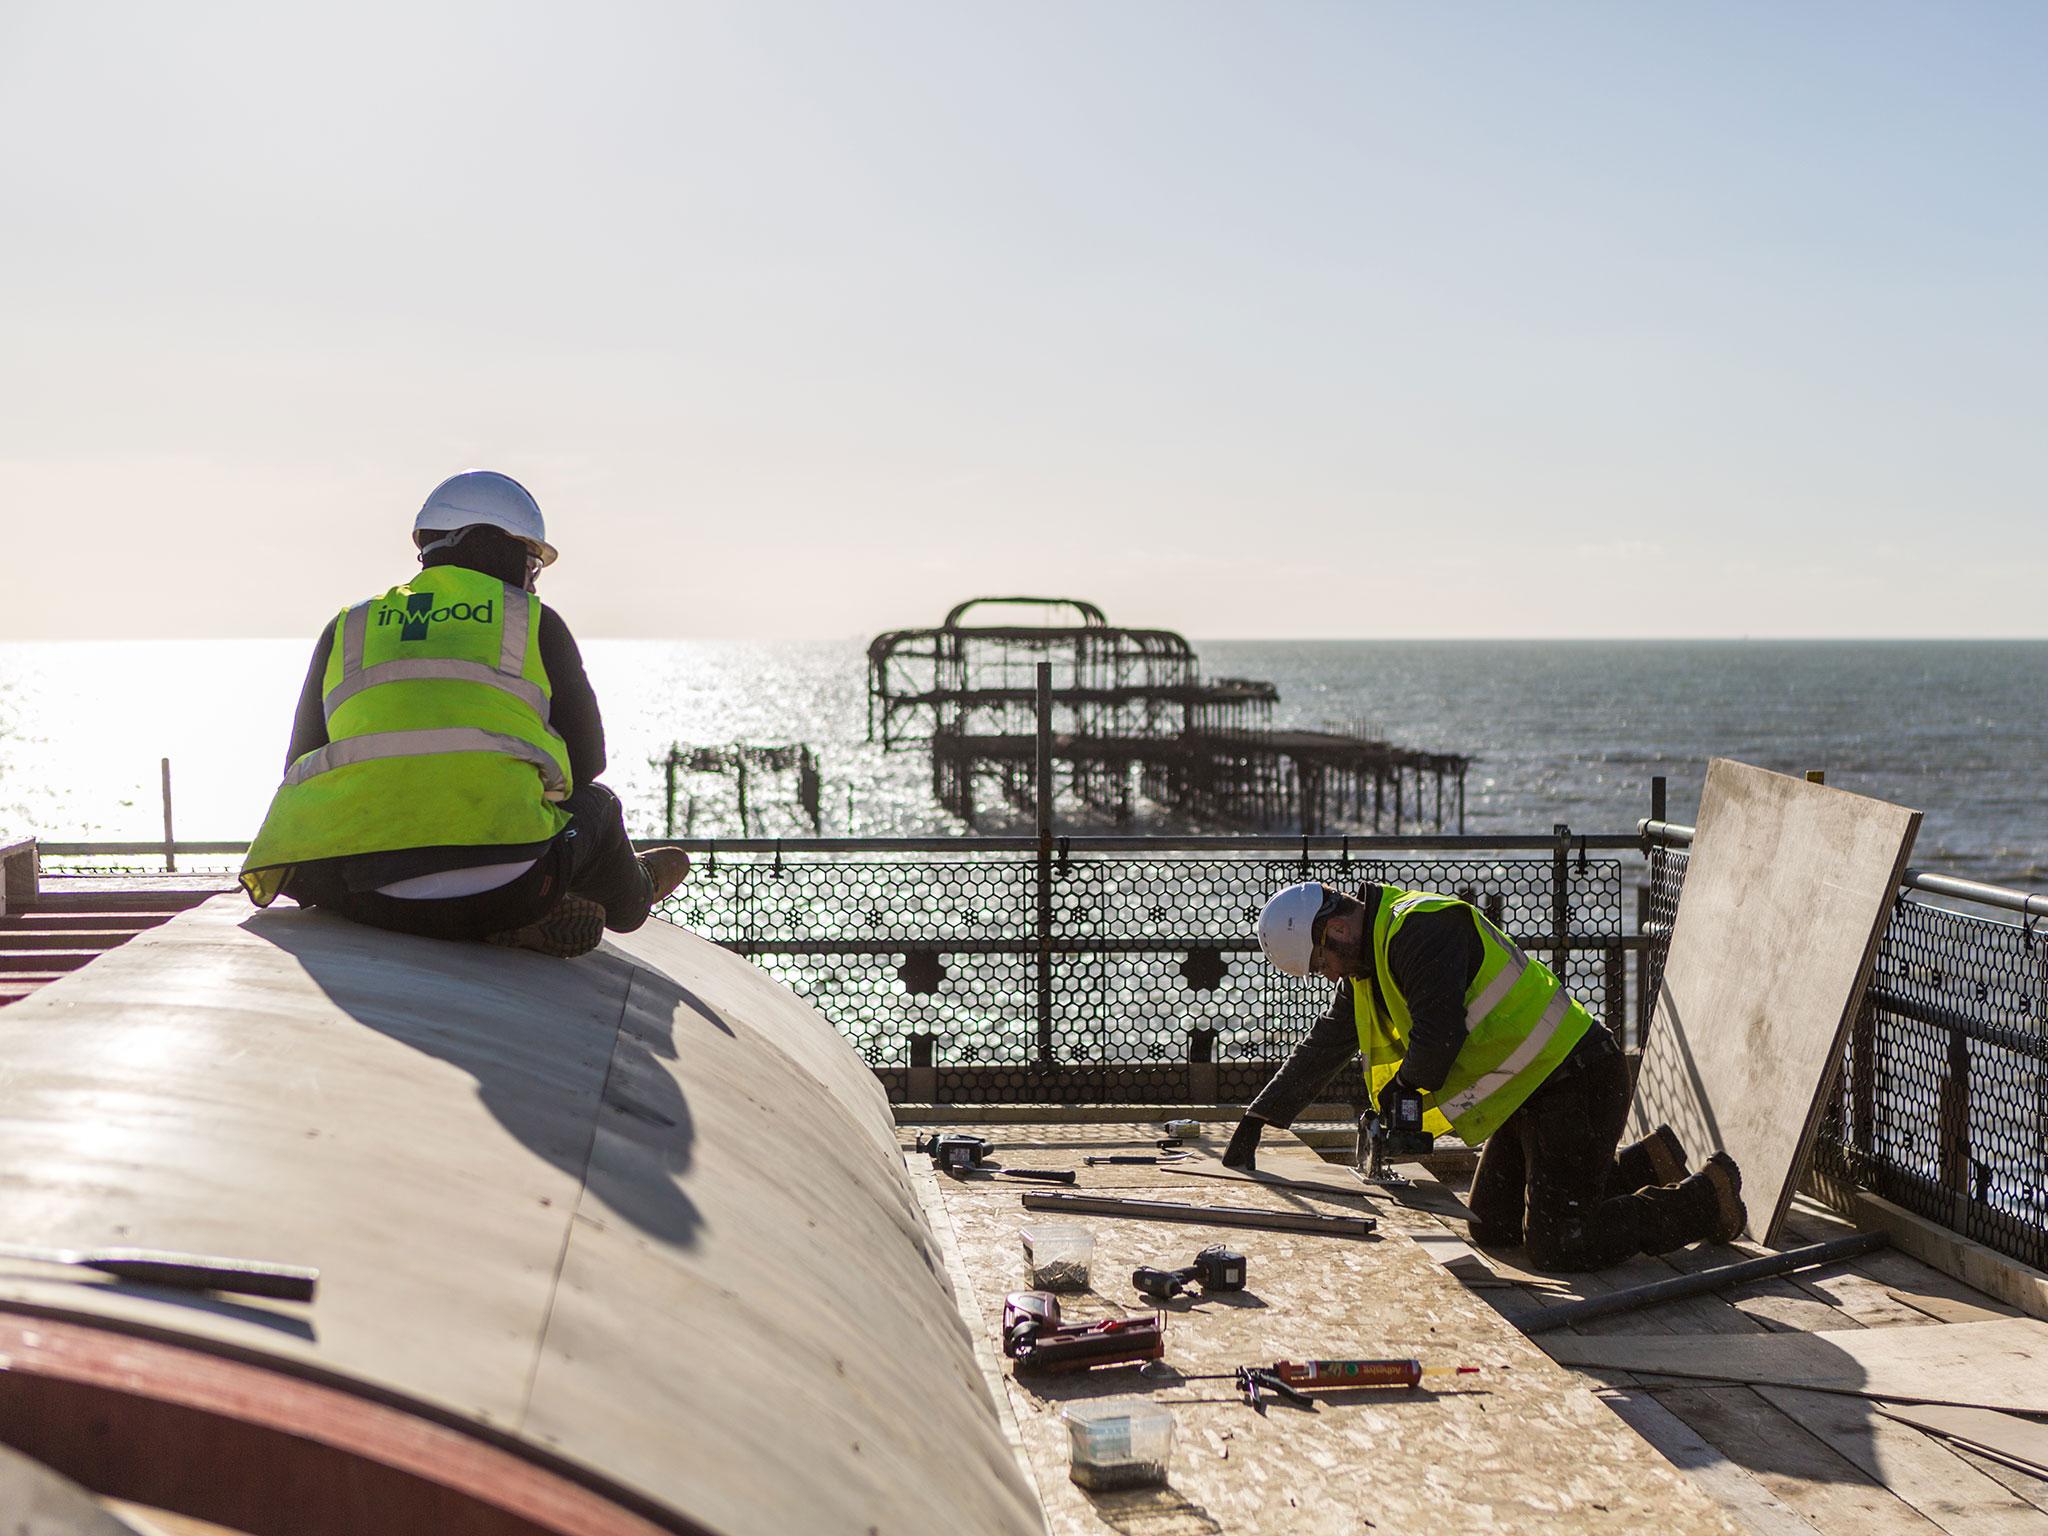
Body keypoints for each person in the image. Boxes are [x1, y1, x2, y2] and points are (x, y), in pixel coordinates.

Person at [240, 470, 690, 956]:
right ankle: (629, 892)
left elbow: (300, 762)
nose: (531, 579)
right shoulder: (531, 621)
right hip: (508, 891)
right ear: (501, 546)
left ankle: (503, 921)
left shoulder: (347, 626)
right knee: (598, 806)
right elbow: (587, 763)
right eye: (532, 562)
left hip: (357, 891)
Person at [1223, 880, 1744, 1271]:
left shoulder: (1421, 929)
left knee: (1560, 1242)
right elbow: (1321, 1049)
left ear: (1335, 929)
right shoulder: (1369, 966)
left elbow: (1439, 1033)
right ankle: (1644, 1165)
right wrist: (1259, 1118)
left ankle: (1704, 1198)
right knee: (1493, 1227)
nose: (1328, 975)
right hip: (1528, 1094)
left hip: (1577, 1078)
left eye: (1320, 964)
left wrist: (1405, 1088)